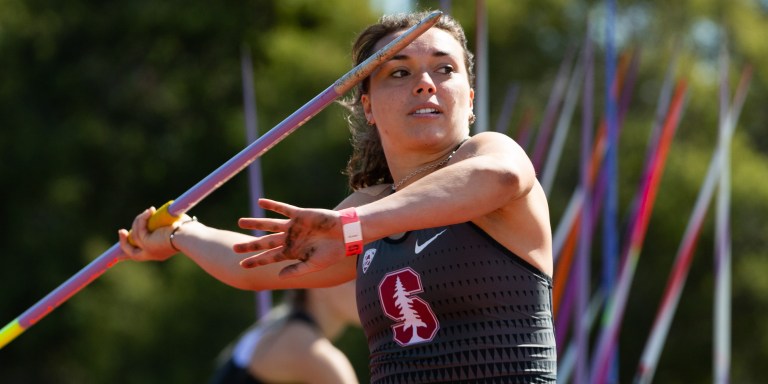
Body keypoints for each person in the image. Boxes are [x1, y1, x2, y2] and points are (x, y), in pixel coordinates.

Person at [119, 11, 557, 383]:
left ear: (470, 98)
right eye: (399, 72)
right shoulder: (370, 207)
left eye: (445, 69)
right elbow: (252, 262)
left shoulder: (491, 154)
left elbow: (498, 177)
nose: (425, 83)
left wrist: (353, 227)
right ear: (367, 105)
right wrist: (180, 232)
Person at [208, 281, 361, 384]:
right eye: (354, 275)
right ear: (320, 284)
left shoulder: (283, 329)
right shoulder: (309, 352)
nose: (371, 282)